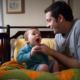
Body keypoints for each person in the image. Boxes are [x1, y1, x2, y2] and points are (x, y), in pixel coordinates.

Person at [36, 1, 80, 69]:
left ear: (60, 18)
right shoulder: (58, 35)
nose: (47, 25)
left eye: (49, 20)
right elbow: (58, 59)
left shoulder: (78, 28)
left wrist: (51, 52)